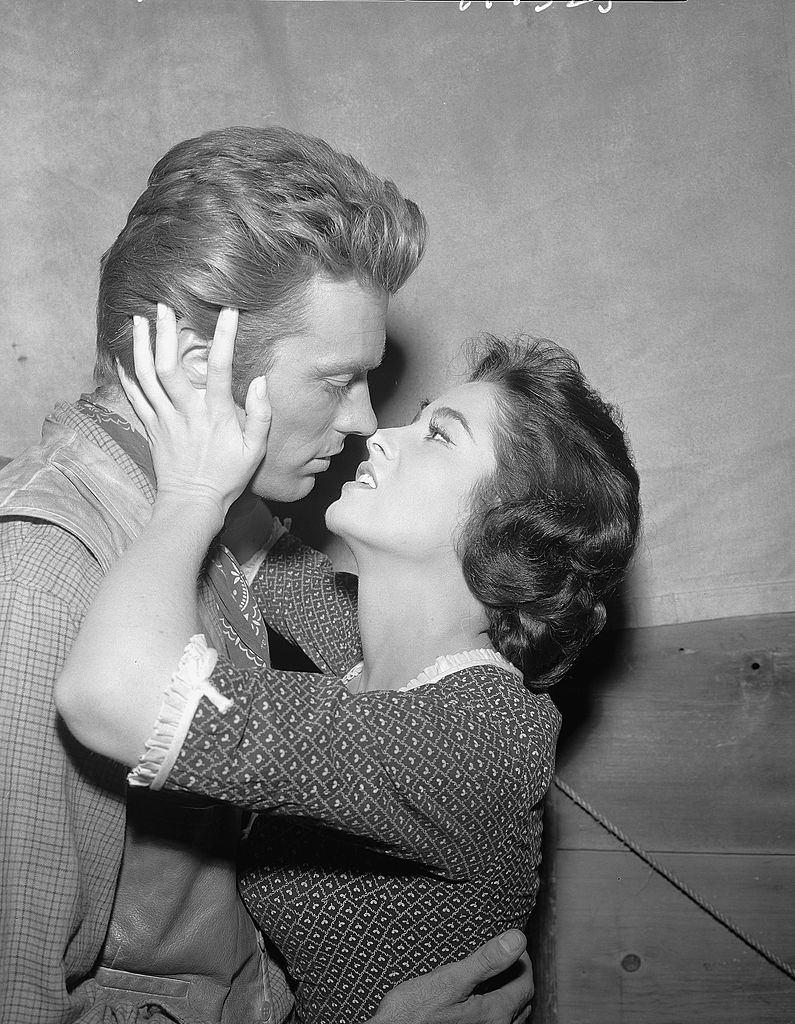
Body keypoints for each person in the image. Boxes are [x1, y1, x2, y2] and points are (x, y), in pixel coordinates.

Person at [0, 126, 533, 1024]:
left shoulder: (235, 537)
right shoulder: (49, 576)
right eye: (337, 380)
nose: (365, 420)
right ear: (200, 372)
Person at [56, 309, 641, 1022]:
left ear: (508, 527)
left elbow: (113, 697)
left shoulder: (482, 734)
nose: (381, 435)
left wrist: (188, 496)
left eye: (437, 435)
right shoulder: (363, 654)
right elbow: (251, 534)